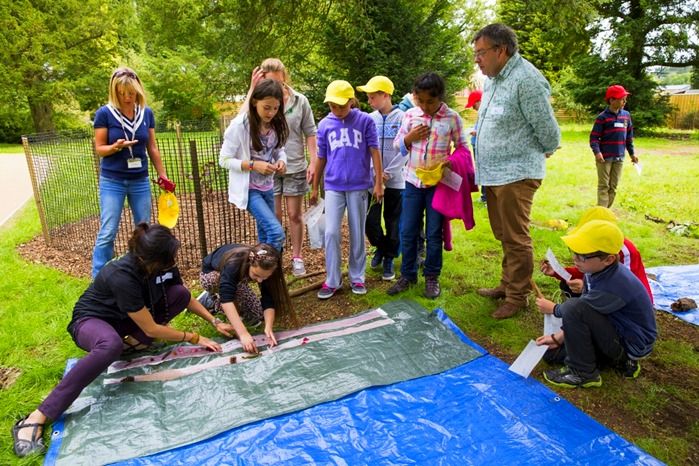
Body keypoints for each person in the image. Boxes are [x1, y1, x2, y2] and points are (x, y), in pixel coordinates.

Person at [11, 224, 226, 458]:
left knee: (180, 295)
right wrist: (194, 337)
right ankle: (37, 417)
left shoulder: (160, 265)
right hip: (92, 322)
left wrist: (213, 322)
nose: (174, 261)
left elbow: (183, 296)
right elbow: (151, 327)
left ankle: (126, 347)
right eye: (170, 257)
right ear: (149, 259)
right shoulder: (122, 275)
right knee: (109, 344)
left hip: (126, 317)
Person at [472, 24, 561, 318]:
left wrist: (541, 152)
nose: (477, 60)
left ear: (501, 50)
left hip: (516, 174)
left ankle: (517, 296)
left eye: (481, 53)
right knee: (503, 234)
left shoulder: (527, 80)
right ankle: (507, 283)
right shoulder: (494, 80)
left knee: (515, 236)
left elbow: (549, 131)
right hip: (495, 174)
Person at [535, 220, 657, 388]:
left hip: (629, 344)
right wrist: (558, 339)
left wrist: (554, 309)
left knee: (572, 307)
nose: (575, 259)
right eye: (574, 252)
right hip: (614, 330)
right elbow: (587, 311)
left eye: (582, 256)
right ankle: (615, 363)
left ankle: (583, 373)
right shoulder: (595, 271)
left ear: (608, 259)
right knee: (552, 355)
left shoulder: (614, 284)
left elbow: (578, 309)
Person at [387, 72, 468, 299]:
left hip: (438, 185)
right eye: (420, 100)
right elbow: (397, 146)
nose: (424, 106)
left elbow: (463, 147)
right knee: (408, 230)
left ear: (440, 97)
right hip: (412, 182)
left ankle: (432, 277)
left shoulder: (452, 118)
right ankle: (408, 274)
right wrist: (408, 138)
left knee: (434, 233)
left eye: (429, 102)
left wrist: (451, 161)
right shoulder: (410, 115)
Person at [91, 67, 174, 278]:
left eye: (131, 93)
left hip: (140, 180)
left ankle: (141, 272)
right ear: (115, 91)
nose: (127, 97)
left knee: (143, 230)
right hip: (113, 181)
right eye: (122, 93)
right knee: (108, 230)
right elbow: (99, 148)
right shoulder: (104, 113)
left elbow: (152, 147)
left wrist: (162, 175)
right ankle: (100, 277)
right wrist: (115, 147)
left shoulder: (146, 113)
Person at [310, 80, 384, 299]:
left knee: (356, 232)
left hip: (359, 185)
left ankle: (357, 276)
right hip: (333, 186)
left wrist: (378, 182)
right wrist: (315, 187)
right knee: (331, 231)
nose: (337, 110)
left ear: (352, 101)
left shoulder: (365, 121)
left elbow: (374, 152)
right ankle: (332, 280)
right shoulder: (324, 125)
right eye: (333, 106)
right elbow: (321, 157)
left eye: (342, 105)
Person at [244, 59, 318, 276]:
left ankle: (297, 258)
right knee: (273, 216)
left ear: (284, 78)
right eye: (269, 82)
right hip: (266, 169)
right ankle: (273, 260)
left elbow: (310, 133)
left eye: (278, 81)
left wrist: (313, 161)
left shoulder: (300, 101)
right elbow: (241, 123)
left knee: (295, 215)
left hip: (294, 166)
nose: (274, 87)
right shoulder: (258, 104)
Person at [220, 79, 289, 253]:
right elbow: (224, 160)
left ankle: (264, 278)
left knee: (265, 236)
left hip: (268, 187)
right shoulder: (239, 126)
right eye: (267, 107)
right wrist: (253, 165)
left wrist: (282, 162)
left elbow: (279, 151)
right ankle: (268, 272)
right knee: (276, 233)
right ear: (254, 102)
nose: (271, 112)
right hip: (249, 189)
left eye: (275, 108)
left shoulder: (275, 124)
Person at [540, 206, 653, 302]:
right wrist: (557, 271)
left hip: (624, 306)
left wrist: (587, 288)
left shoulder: (625, 251)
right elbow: (585, 271)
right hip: (601, 291)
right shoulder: (593, 252)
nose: (575, 258)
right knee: (567, 285)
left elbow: (625, 289)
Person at [200, 243, 292, 352]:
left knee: (257, 314)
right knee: (220, 284)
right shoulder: (233, 264)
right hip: (212, 274)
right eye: (256, 275)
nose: (260, 281)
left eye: (265, 277)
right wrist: (243, 333)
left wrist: (268, 327)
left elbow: (268, 297)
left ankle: (234, 291)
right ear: (250, 263)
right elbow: (227, 299)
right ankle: (209, 299)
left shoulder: (267, 268)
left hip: (239, 279)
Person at [357, 75, 405, 281]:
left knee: (393, 222)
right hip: (372, 182)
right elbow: (365, 149)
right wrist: (375, 173)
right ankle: (382, 247)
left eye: (372, 97)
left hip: (396, 181)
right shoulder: (370, 119)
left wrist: (388, 173)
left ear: (385, 95)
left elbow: (406, 150)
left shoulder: (403, 118)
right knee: (370, 221)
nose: (369, 101)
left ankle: (388, 258)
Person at [590, 85, 638, 208]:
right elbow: (594, 138)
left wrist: (632, 154)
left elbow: (629, 138)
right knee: (604, 186)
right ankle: (601, 213)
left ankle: (606, 211)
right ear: (612, 100)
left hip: (619, 158)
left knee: (613, 186)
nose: (624, 102)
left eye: (625, 99)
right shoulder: (602, 117)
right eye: (622, 99)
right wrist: (597, 152)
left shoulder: (626, 115)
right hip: (604, 158)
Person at [464, 89, 486, 203]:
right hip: (476, 143)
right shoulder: (481, 113)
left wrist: (476, 132)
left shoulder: (485, 112)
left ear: (479, 101)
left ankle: (485, 196)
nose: (473, 108)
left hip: (481, 145)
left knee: (483, 169)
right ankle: (484, 196)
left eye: (474, 105)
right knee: (480, 169)